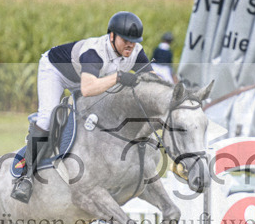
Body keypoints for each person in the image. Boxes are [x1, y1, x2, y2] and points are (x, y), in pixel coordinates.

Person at [11, 11, 152, 203]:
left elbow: (152, 79)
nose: (130, 45)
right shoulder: (95, 52)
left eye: (134, 41)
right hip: (56, 72)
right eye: (125, 40)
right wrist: (118, 77)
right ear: (112, 36)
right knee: (48, 117)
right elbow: (87, 89)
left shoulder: (136, 52)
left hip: (87, 78)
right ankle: (25, 177)